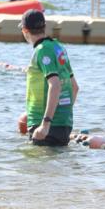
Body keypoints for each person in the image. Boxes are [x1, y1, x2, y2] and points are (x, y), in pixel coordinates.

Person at [20, 9, 78, 147]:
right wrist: (61, 116)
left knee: (38, 165)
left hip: (44, 125)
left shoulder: (41, 50)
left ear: (25, 31)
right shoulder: (59, 48)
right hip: (64, 124)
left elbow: (55, 84)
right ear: (44, 27)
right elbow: (75, 87)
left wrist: (46, 123)